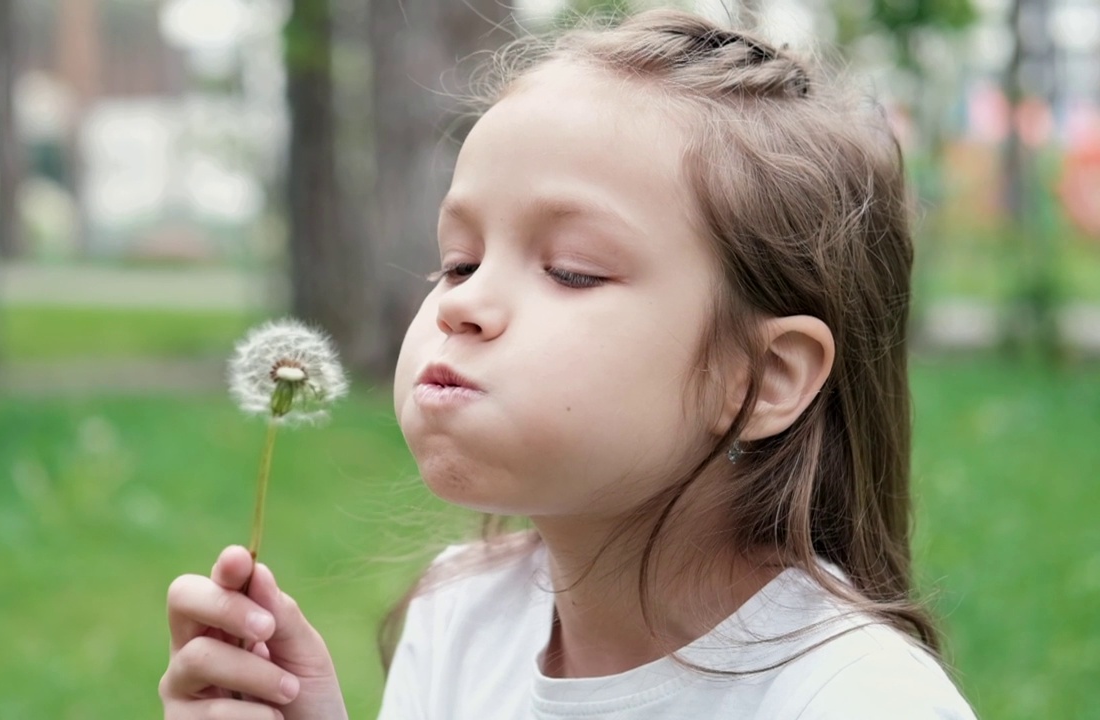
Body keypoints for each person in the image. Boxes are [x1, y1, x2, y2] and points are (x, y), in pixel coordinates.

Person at [158, 9, 978, 720]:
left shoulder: (851, 699)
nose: (460, 304)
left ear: (765, 378)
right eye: (457, 260)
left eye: (572, 270)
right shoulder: (462, 618)